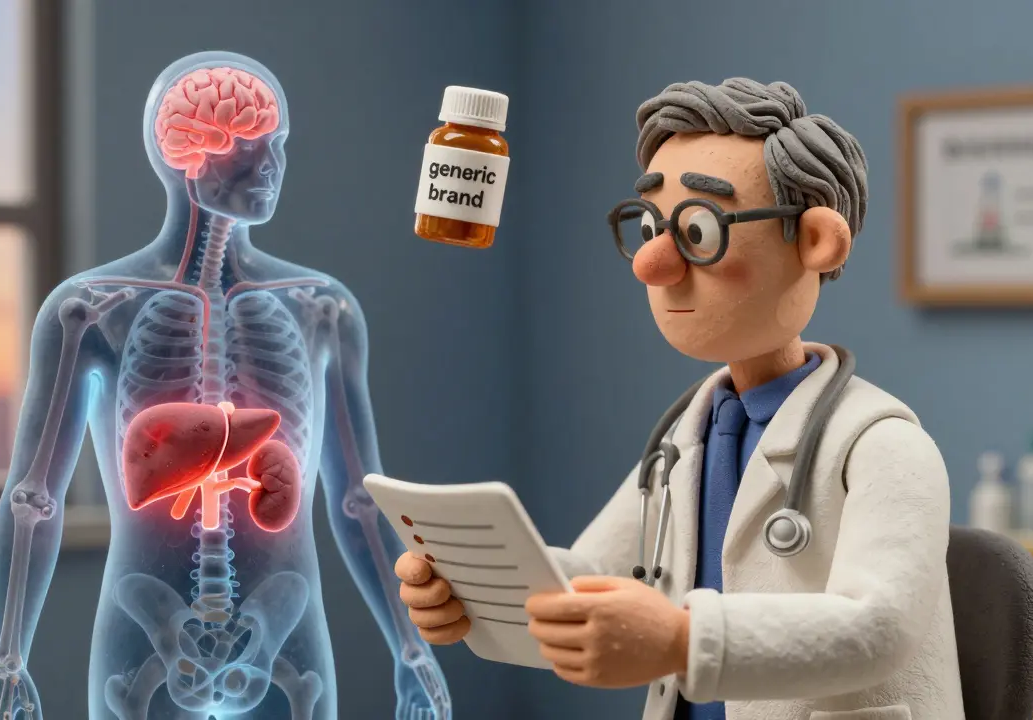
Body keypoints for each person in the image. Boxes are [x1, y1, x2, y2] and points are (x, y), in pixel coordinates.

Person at [394, 78, 963, 719]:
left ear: (815, 241)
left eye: (698, 229)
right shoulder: (683, 441)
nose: (653, 264)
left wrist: (682, 639)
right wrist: (473, 591)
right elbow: (586, 575)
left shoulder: (884, 446)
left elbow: (878, 628)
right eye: (649, 226)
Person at [0, 52, 450, 720]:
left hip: (283, 608)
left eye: (278, 148)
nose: (271, 169)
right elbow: (35, 497)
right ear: (189, 157)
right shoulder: (92, 307)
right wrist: (7, 660)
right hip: (144, 611)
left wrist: (412, 649)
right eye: (247, 151)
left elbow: (358, 498)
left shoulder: (321, 306)